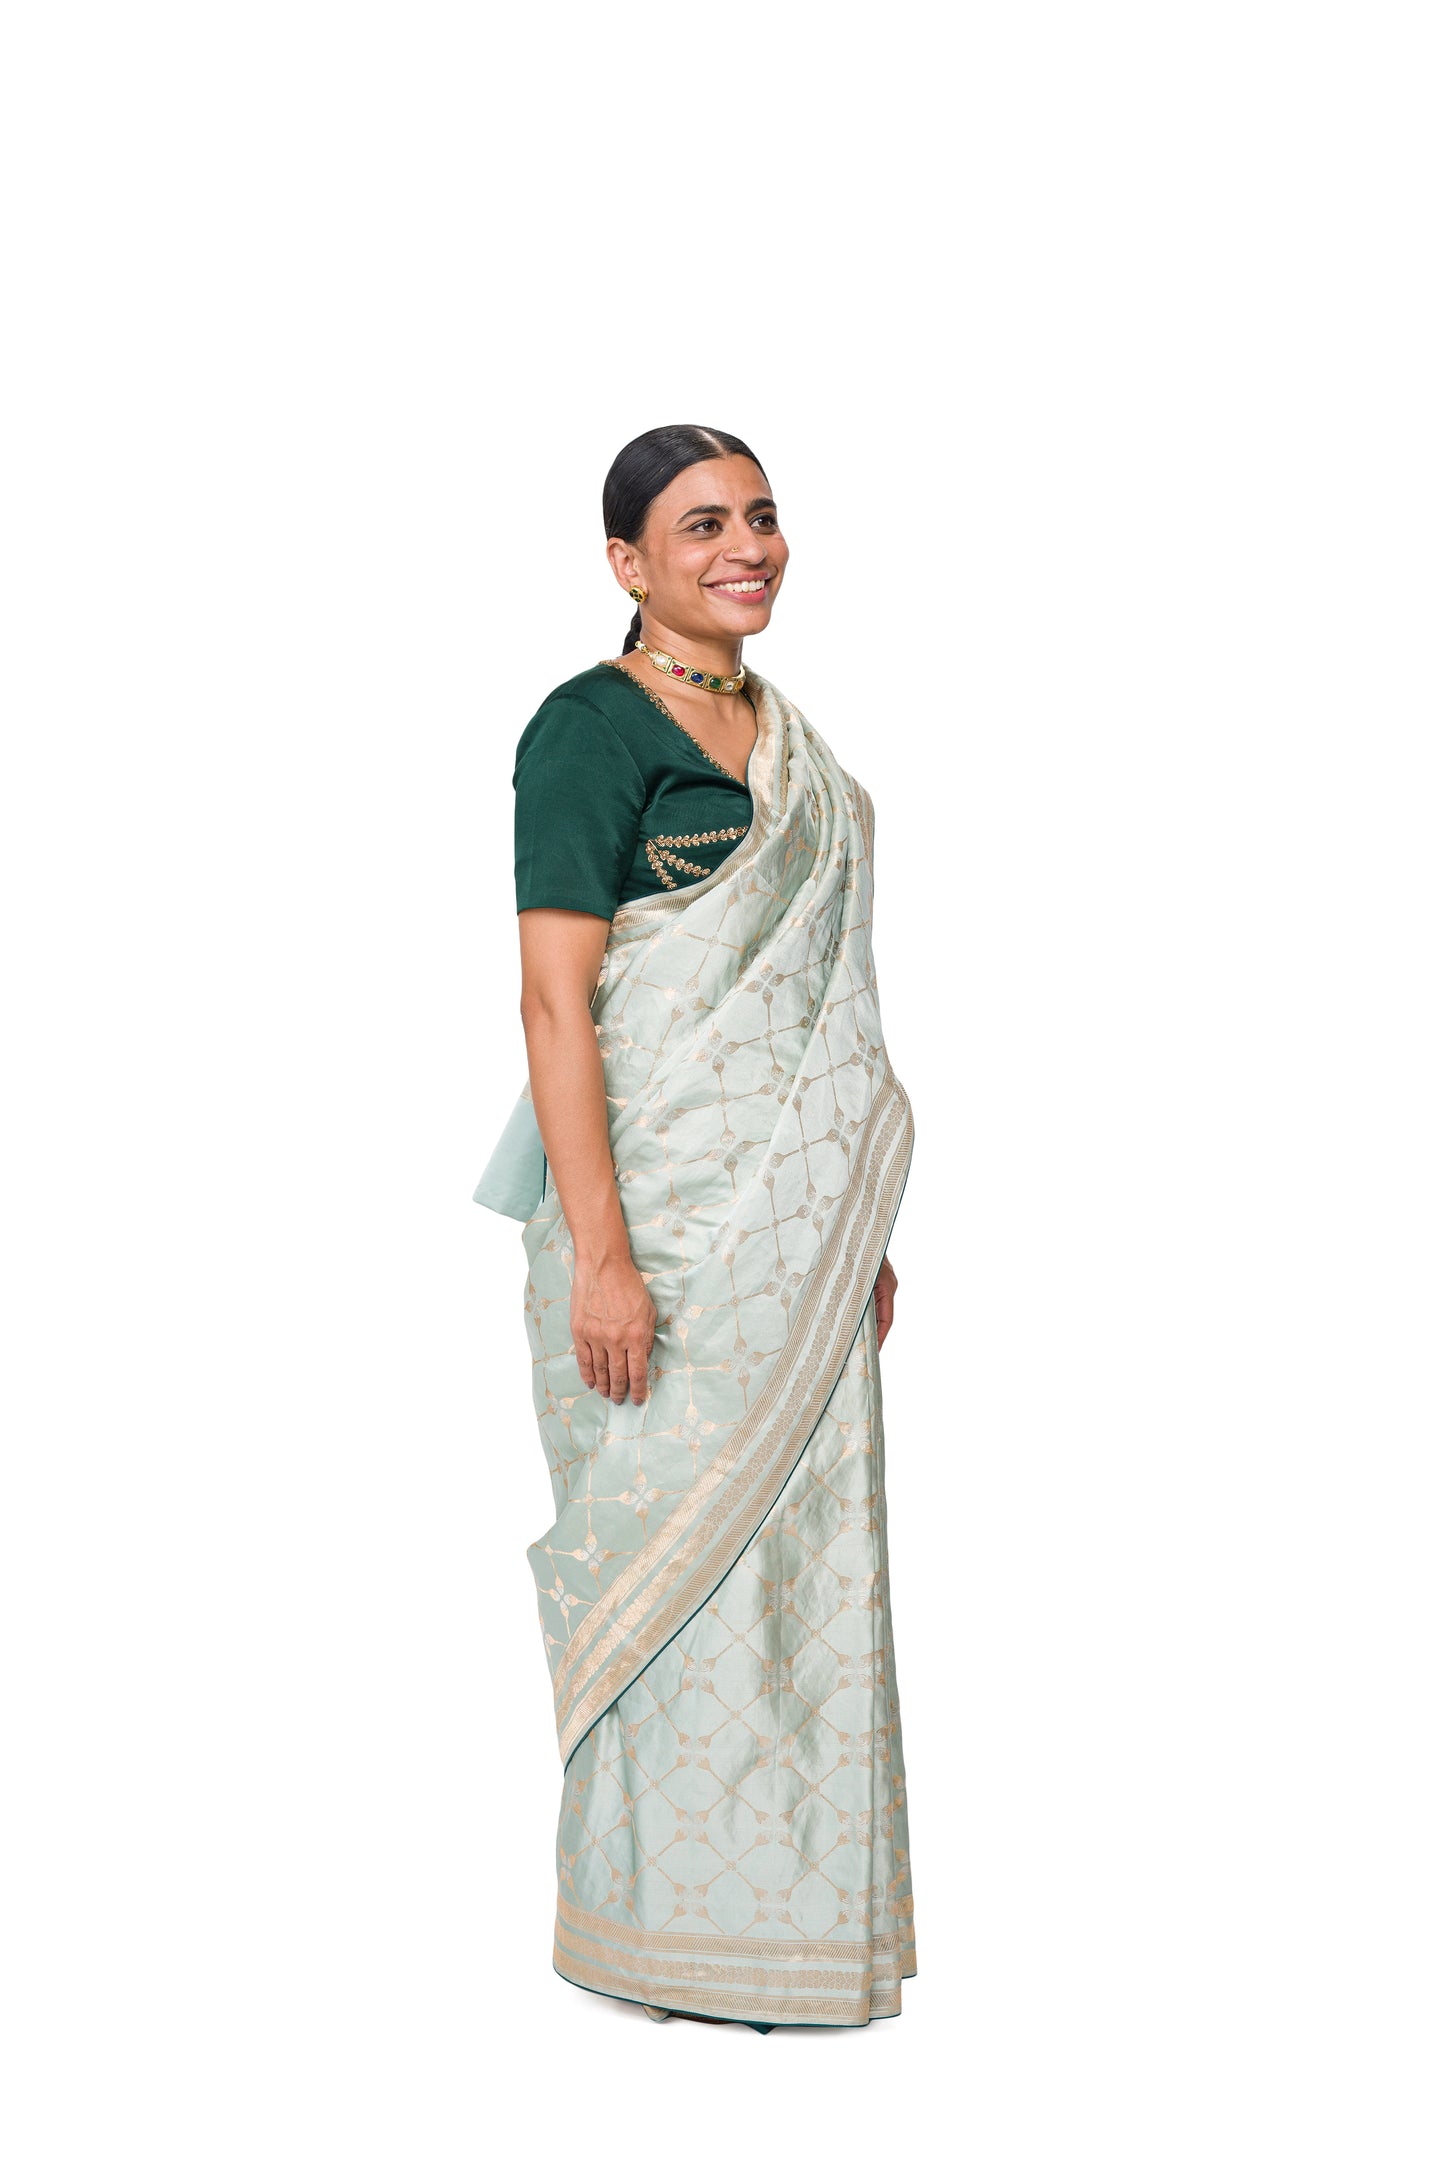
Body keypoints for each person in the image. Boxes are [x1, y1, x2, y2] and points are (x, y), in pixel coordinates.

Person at [474, 424, 917, 2031]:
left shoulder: (794, 749)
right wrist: (602, 1258)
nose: (747, 547)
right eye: (702, 524)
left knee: (800, 1574)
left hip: (793, 1243)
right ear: (627, 562)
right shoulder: (586, 731)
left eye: (762, 517)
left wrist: (849, 1222)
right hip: (649, 1235)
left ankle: (789, 1939)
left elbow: (809, 1016)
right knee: (667, 1566)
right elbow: (556, 1004)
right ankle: (644, 1935)